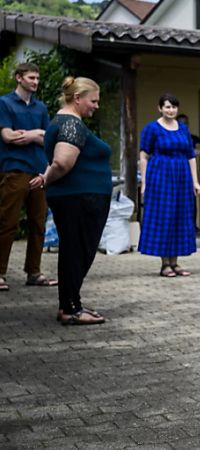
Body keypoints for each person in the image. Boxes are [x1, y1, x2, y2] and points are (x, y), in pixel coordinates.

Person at [33, 76, 111, 324]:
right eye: (93, 101)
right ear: (78, 98)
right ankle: (70, 309)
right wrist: (49, 177)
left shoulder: (65, 122)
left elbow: (56, 162)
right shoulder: (71, 124)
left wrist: (46, 177)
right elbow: (62, 162)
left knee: (73, 251)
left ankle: (71, 303)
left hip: (77, 197)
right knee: (76, 252)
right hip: (80, 198)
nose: (96, 106)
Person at [0, 62, 56, 292]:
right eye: (31, 77)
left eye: (37, 78)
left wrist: (32, 134)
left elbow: (48, 138)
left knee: (38, 223)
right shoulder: (4, 103)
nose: (35, 82)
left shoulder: (41, 108)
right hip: (14, 169)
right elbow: (8, 136)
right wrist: (37, 135)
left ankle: (34, 272)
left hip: (39, 171)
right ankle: (0, 273)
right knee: (7, 222)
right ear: (19, 78)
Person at [139, 94, 200, 277]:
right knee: (163, 217)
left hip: (181, 178)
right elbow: (144, 155)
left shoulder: (183, 129)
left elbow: (191, 156)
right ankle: (164, 263)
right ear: (160, 108)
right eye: (167, 107)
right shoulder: (152, 128)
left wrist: (195, 181)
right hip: (160, 176)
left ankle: (175, 262)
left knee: (180, 217)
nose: (171, 110)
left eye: (174, 107)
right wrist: (145, 182)